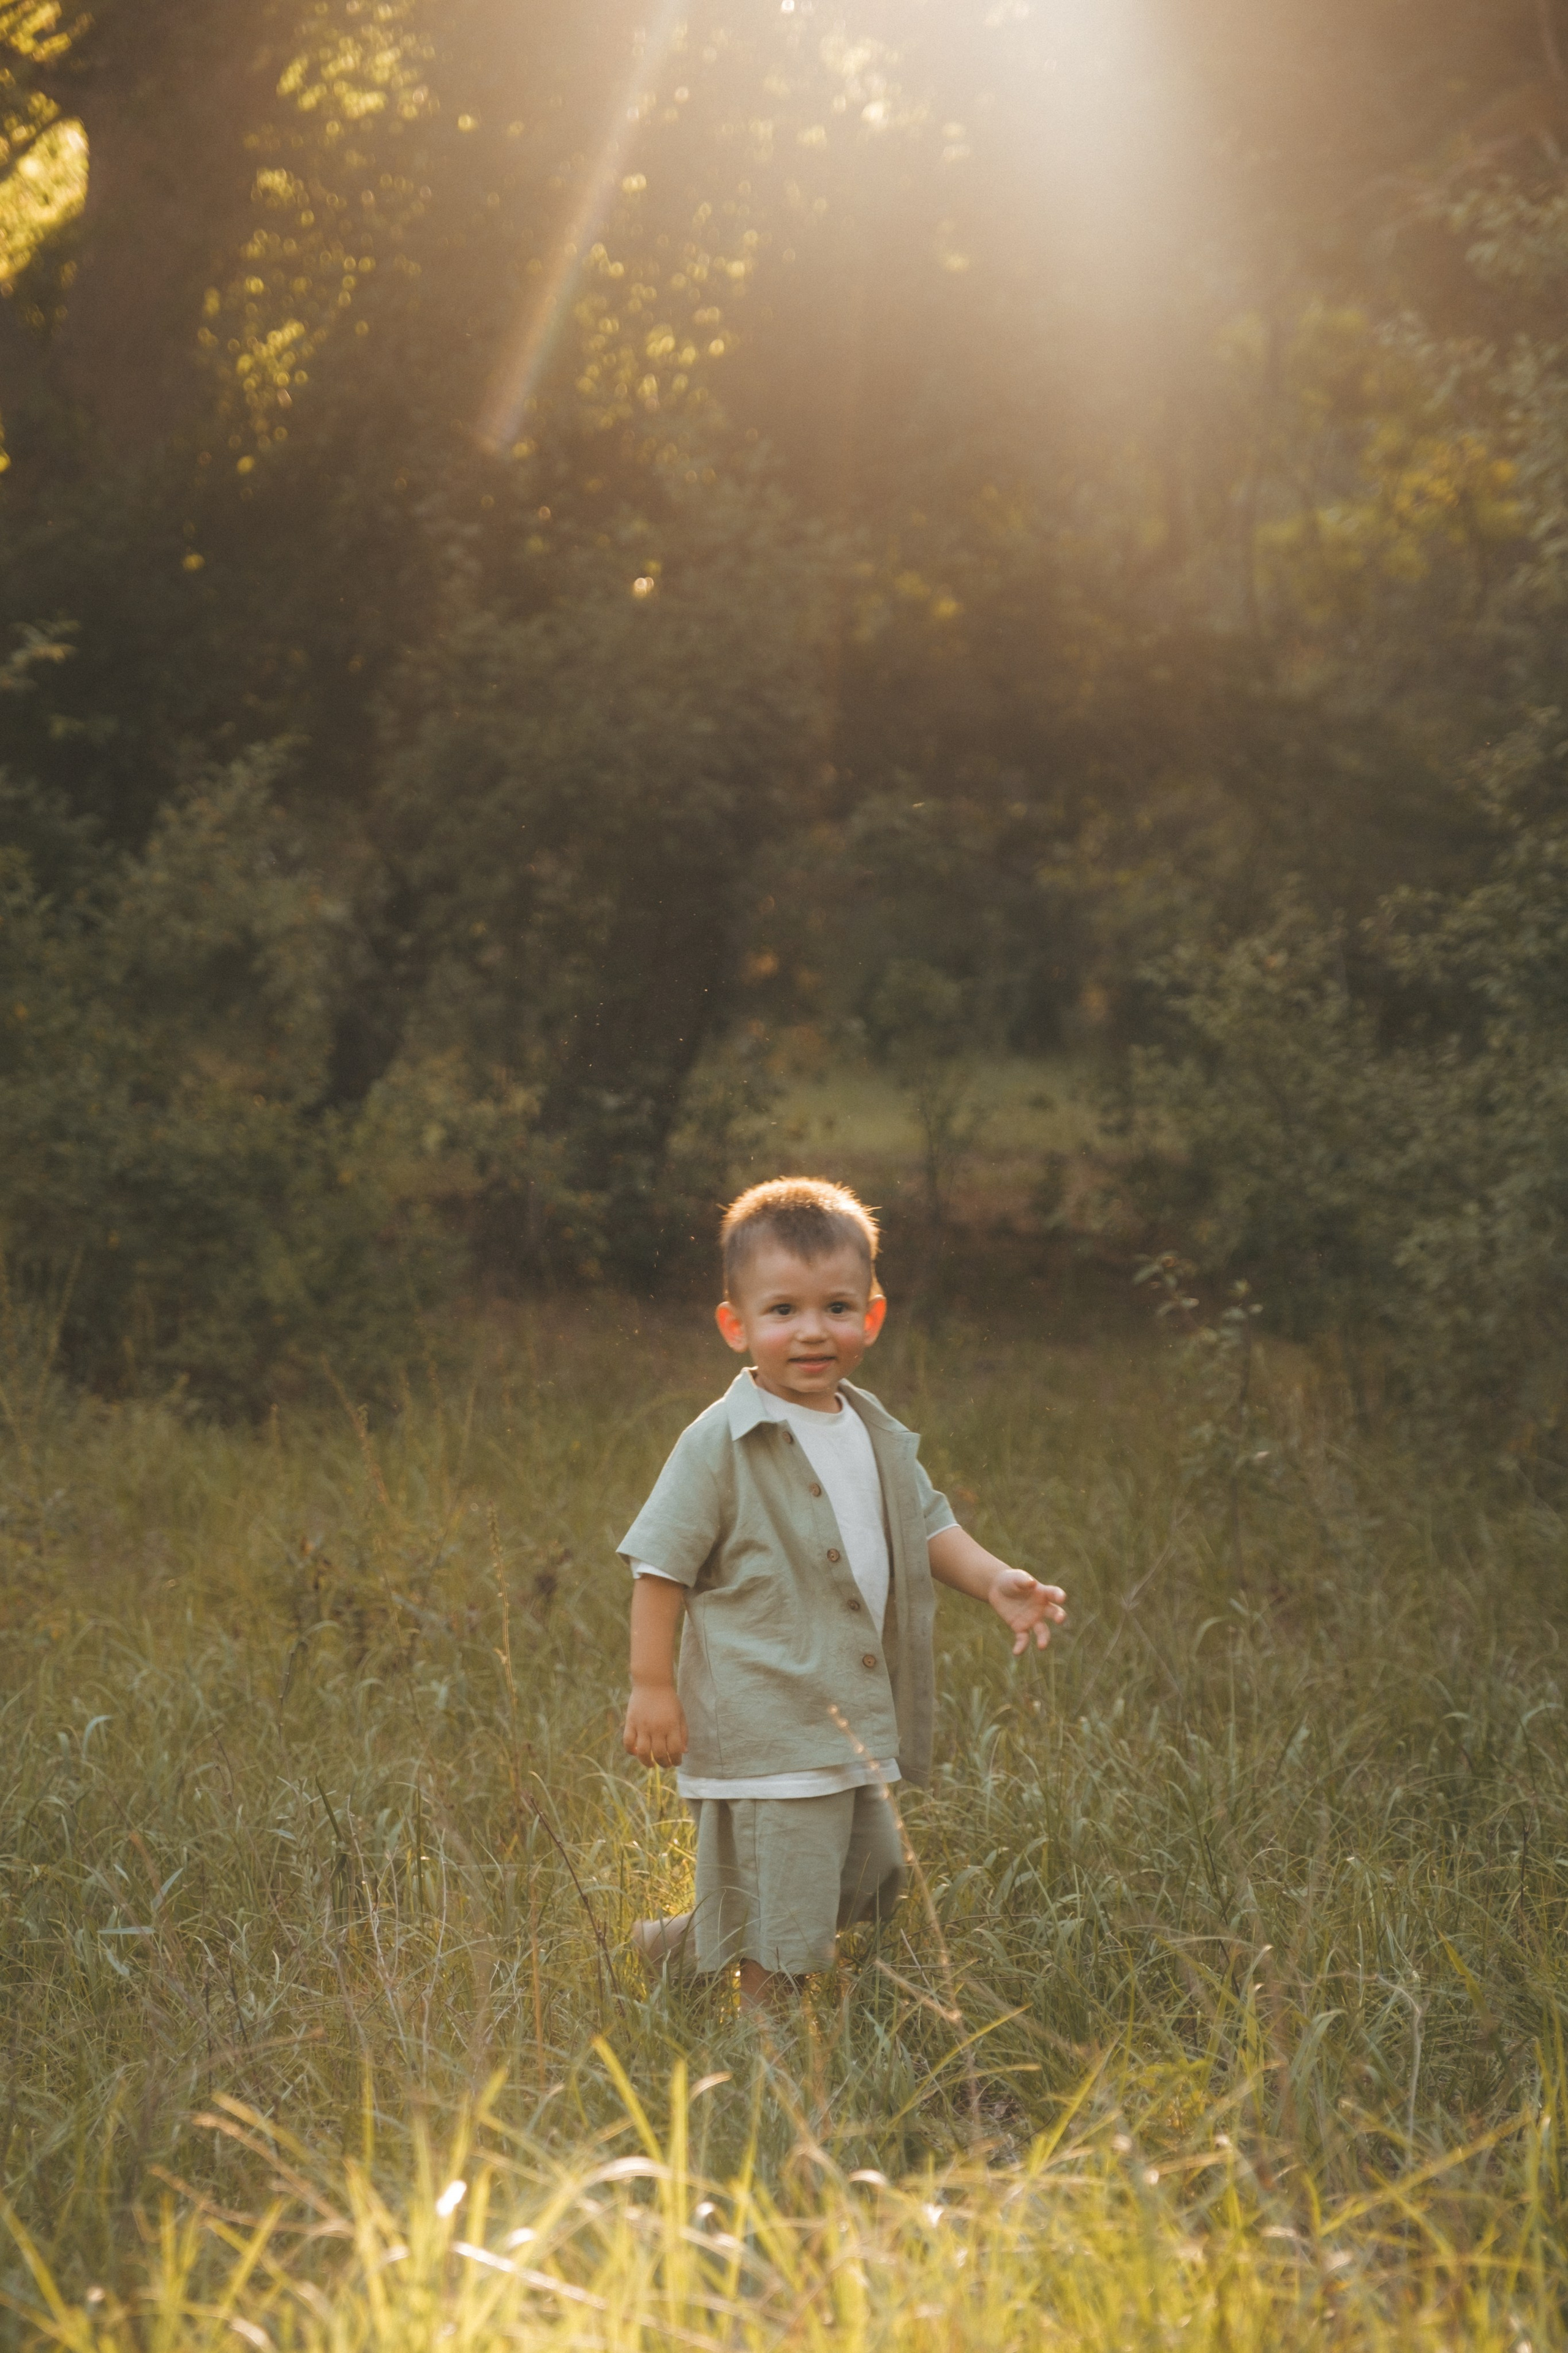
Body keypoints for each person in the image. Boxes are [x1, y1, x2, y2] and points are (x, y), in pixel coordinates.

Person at [619, 1176, 1066, 2009]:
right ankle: (769, 2048)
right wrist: (653, 1687)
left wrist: (994, 1578)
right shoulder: (720, 1441)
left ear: (873, 1314)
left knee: (857, 1875)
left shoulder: (873, 1428)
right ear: (736, 1325)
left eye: (835, 1306)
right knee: (787, 1903)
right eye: (782, 1310)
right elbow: (660, 1565)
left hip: (850, 1713)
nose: (811, 1330)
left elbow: (925, 1523)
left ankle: (679, 1947)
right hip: (766, 1716)